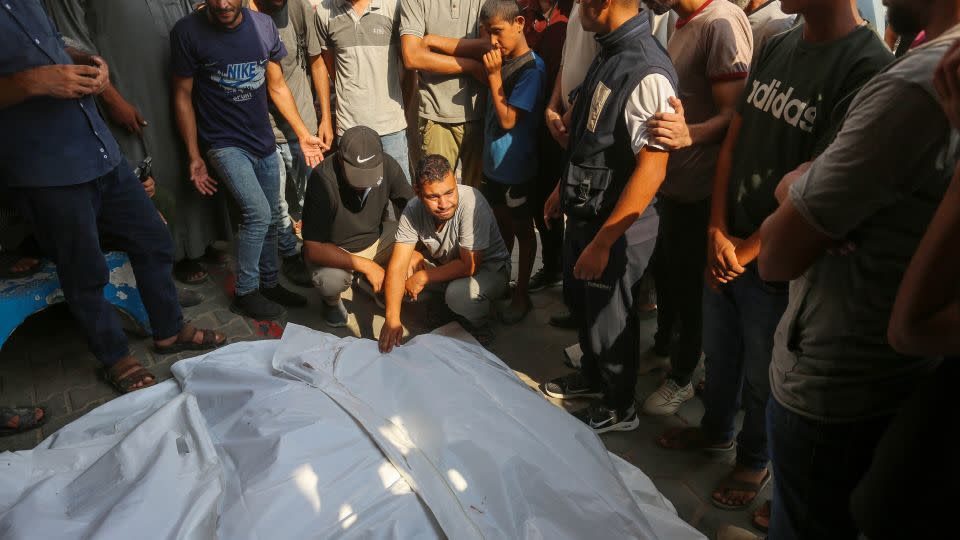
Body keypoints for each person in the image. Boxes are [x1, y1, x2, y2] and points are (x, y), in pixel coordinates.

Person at [654, 0, 891, 514]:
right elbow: (735, 139)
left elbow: (822, 185)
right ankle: (715, 431)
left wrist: (745, 249)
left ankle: (755, 459)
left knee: (765, 376)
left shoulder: (866, 66)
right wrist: (717, 227)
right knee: (721, 354)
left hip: (777, 260)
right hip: (728, 241)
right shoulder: (780, 41)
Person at [756, 7, 960, 538]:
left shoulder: (921, 84)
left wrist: (793, 187)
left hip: (838, 387)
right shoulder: (934, 70)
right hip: (880, 376)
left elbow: (776, 255)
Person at [0, 0, 225, 393]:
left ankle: (169, 329)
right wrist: (34, 82)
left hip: (97, 148)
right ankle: (114, 356)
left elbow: (54, 45)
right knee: (83, 269)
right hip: (46, 168)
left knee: (153, 238)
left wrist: (88, 61)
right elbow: (36, 74)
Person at [540, 2, 679, 433]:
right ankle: (595, 378)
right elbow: (594, 140)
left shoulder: (645, 69)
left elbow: (653, 167)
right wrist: (561, 189)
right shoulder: (611, 51)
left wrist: (604, 242)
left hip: (616, 228)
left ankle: (621, 406)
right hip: (587, 213)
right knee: (586, 308)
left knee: (611, 318)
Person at [43, 0, 231, 287]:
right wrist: (110, 96)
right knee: (147, 164)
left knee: (188, 153)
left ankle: (199, 242)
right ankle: (172, 253)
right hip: (126, 85)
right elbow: (69, 40)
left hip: (180, 73)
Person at [171, 0, 327, 320]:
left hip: (263, 140)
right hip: (223, 143)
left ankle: (269, 282)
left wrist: (300, 132)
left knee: (270, 218)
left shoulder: (263, 26)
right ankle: (245, 292)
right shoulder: (187, 32)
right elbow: (182, 95)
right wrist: (194, 155)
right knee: (257, 213)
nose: (223, 3)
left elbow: (278, 85)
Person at [638, 0, 752, 417]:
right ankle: (664, 349)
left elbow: (735, 115)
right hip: (674, 187)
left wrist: (690, 135)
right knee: (668, 279)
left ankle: (683, 376)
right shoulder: (678, 21)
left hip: (702, 192)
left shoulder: (720, 22)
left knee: (692, 292)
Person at [429, 0, 547, 323]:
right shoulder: (505, 58)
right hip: (494, 167)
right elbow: (464, 51)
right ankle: (502, 283)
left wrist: (494, 75)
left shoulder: (531, 69)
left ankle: (521, 294)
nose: (492, 41)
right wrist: (430, 41)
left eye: (497, 32)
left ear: (520, 23)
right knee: (501, 226)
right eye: (487, 34)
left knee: (523, 230)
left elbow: (509, 119)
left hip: (517, 169)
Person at [378, 155, 511, 350]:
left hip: (489, 270)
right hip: (449, 267)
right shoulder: (413, 209)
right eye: (433, 197)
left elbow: (470, 266)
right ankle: (451, 309)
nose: (444, 203)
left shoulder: (472, 203)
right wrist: (392, 320)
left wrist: (423, 277)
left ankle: (481, 323)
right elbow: (397, 266)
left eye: (450, 192)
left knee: (458, 296)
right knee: (399, 275)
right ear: (418, 192)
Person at [247, 0, 331, 288]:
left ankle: (316, 250)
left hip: (303, 126)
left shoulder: (297, 7)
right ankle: (289, 254)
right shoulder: (237, 14)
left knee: (314, 195)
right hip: (263, 130)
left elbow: (316, 61)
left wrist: (325, 117)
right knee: (276, 206)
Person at [302, 126, 414, 326]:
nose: (363, 183)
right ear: (339, 159)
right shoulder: (321, 180)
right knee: (330, 281)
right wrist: (367, 266)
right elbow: (313, 248)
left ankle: (379, 285)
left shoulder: (388, 165)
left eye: (369, 174)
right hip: (335, 249)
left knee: (414, 243)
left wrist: (413, 251)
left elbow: (412, 209)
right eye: (357, 175)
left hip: (377, 238)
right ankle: (332, 302)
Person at [540, 0, 598, 329]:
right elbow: (567, 61)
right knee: (573, 225)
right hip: (569, 126)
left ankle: (590, 322)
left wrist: (569, 115)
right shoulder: (578, 5)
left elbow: (603, 71)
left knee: (588, 225)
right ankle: (578, 309)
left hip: (588, 130)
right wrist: (552, 105)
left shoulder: (603, 10)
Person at [315, 0, 414, 181]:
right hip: (349, 127)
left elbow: (409, 66)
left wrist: (403, 109)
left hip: (391, 127)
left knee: (400, 196)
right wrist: (326, 119)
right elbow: (327, 66)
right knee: (356, 194)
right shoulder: (324, 11)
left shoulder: (393, 6)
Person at [399, 0, 486, 187]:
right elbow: (412, 56)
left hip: (481, 113)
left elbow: (490, 45)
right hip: (435, 114)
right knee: (437, 195)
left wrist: (433, 41)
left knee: (477, 199)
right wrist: (470, 66)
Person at [521, 0, 573, 292]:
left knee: (566, 200)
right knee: (540, 198)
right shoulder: (524, 14)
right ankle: (552, 265)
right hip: (529, 121)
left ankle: (571, 274)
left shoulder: (572, 15)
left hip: (563, 123)